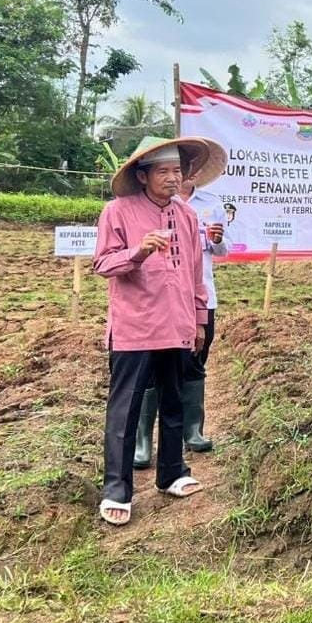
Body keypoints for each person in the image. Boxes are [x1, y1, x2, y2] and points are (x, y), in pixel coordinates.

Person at [92, 135, 226, 526]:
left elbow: (195, 273)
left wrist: (199, 319)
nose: (172, 178)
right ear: (143, 175)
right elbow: (103, 264)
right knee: (125, 408)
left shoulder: (187, 216)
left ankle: (173, 472)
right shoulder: (118, 212)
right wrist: (139, 251)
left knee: (173, 401)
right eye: (163, 171)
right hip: (135, 325)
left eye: (177, 171)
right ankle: (117, 489)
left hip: (177, 323)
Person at [133, 162, 229, 469]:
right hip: (156, 300)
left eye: (184, 169)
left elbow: (222, 250)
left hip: (199, 295)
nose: (179, 175)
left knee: (194, 361)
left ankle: (193, 430)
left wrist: (216, 240)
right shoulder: (143, 207)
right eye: (171, 169)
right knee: (148, 367)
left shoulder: (211, 205)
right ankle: (143, 440)